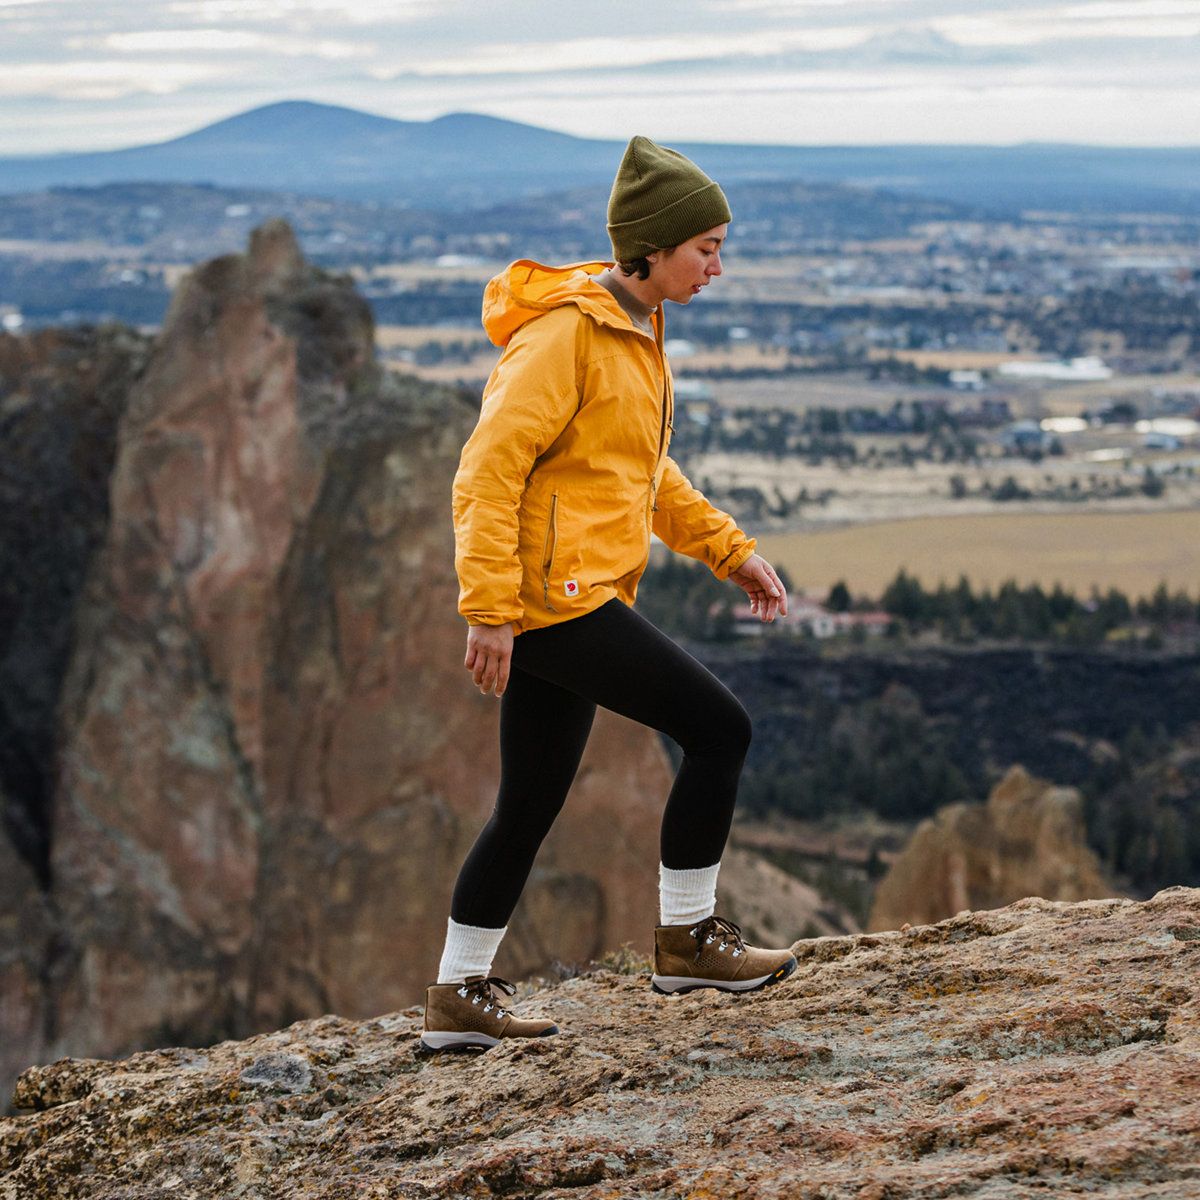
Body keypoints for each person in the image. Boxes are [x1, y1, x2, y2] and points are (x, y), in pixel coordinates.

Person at [420, 136, 797, 1052]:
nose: (717, 265)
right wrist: (491, 609)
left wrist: (729, 551)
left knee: (531, 801)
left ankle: (457, 997)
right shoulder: (565, 337)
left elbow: (643, 473)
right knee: (720, 728)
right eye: (706, 247)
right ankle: (687, 940)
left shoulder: (633, 330)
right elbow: (486, 472)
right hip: (559, 600)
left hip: (573, 593)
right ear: (654, 248)